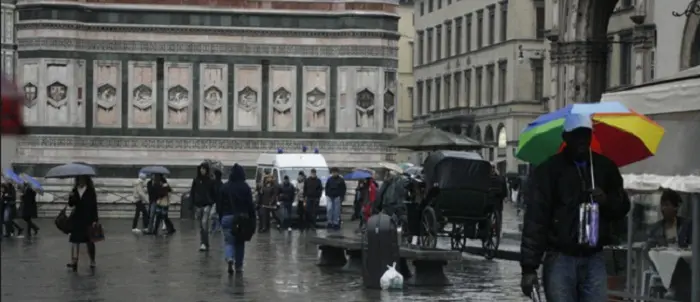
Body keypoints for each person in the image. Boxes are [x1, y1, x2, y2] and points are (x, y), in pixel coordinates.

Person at [520, 114, 630, 301]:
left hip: (593, 255)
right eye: (576, 135)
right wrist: (529, 268)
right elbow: (536, 219)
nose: (581, 140)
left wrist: (607, 201)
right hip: (560, 256)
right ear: (566, 138)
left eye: (585, 135)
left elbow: (622, 208)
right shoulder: (549, 171)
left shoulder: (604, 167)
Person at [217, 164, 256, 274]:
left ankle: (229, 258)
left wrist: (221, 217)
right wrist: (253, 219)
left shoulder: (224, 187)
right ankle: (238, 266)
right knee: (240, 242)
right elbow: (250, 205)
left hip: (226, 217)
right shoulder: (245, 187)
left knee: (229, 242)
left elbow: (219, 205)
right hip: (242, 219)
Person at [66, 176, 99, 272]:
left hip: (88, 218)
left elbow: (94, 206)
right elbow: (71, 204)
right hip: (77, 218)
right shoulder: (74, 190)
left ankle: (92, 260)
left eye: (82, 179)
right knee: (75, 240)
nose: (81, 181)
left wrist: (95, 220)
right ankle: (74, 261)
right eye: (79, 179)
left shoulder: (91, 191)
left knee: (90, 241)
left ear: (86, 180)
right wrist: (71, 197)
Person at [190, 163, 215, 251]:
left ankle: (203, 243)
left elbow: (213, 192)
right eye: (201, 169)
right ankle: (204, 242)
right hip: (198, 205)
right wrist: (191, 204)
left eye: (204, 169)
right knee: (201, 226)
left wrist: (211, 202)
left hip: (206, 205)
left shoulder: (210, 181)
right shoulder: (196, 180)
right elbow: (192, 192)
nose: (202, 170)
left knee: (204, 223)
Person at [210, 170, 224, 234]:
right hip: (218, 202)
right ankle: (215, 228)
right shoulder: (221, 183)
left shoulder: (214, 183)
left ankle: (215, 228)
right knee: (215, 215)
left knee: (212, 215)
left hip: (215, 202)